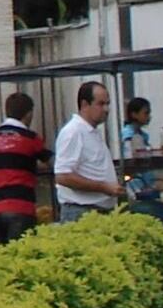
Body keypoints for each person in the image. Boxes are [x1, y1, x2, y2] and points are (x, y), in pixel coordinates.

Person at [0, 91, 50, 244]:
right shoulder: (30, 137)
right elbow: (50, 162)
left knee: (4, 253)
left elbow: (7, 162)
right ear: (29, 113)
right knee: (21, 253)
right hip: (21, 207)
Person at [53, 81, 126, 221]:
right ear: (85, 105)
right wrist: (104, 187)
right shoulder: (73, 132)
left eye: (108, 104)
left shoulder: (90, 131)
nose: (106, 109)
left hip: (98, 210)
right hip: (81, 211)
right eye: (101, 104)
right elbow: (63, 176)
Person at [119, 97, 163, 222]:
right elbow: (130, 158)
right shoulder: (128, 135)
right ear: (134, 114)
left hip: (146, 182)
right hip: (135, 185)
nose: (149, 117)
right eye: (146, 113)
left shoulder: (142, 135)